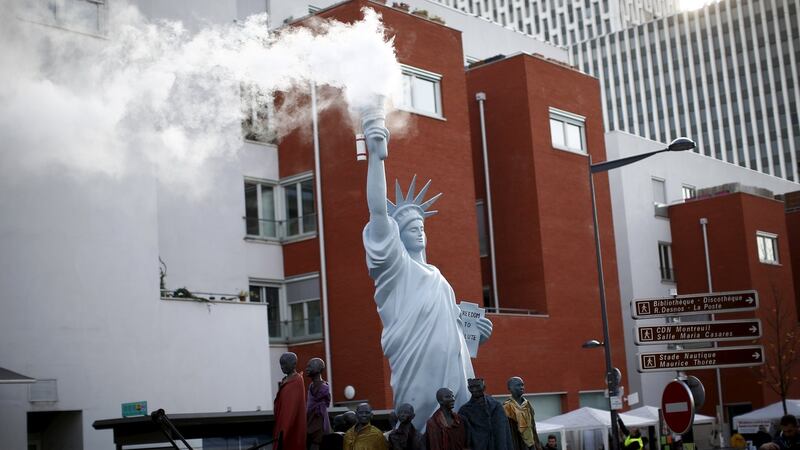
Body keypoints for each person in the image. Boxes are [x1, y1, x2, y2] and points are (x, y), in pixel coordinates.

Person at [361, 108, 493, 431]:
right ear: (397, 238)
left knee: (456, 429)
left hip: (454, 370)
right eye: (409, 228)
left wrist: (476, 334)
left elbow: (453, 326)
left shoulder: (439, 278)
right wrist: (376, 158)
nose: (418, 231)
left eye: (421, 226)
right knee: (420, 429)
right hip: (416, 369)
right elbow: (378, 212)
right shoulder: (397, 270)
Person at [458, 378, 514, 450]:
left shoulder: (496, 406)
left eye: (478, 386)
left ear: (484, 387)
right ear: (468, 389)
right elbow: (463, 435)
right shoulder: (465, 410)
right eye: (472, 387)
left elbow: (505, 432)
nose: (474, 390)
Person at [274, 352, 307, 450]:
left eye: (284, 363)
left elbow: (290, 412)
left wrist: (283, 433)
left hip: (289, 430)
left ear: (293, 364)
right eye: (281, 364)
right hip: (281, 425)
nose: (282, 367)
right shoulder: (286, 380)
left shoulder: (296, 382)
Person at [503, 376, 542, 450]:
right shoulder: (507, 407)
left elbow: (532, 426)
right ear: (510, 388)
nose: (522, 387)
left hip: (530, 443)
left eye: (522, 385)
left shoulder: (527, 404)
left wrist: (537, 444)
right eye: (518, 385)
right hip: (516, 442)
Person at [306, 358, 332, 450]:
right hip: (310, 421)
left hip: (318, 426)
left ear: (318, 369)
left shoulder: (323, 388)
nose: (307, 369)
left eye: (310, 366)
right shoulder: (311, 386)